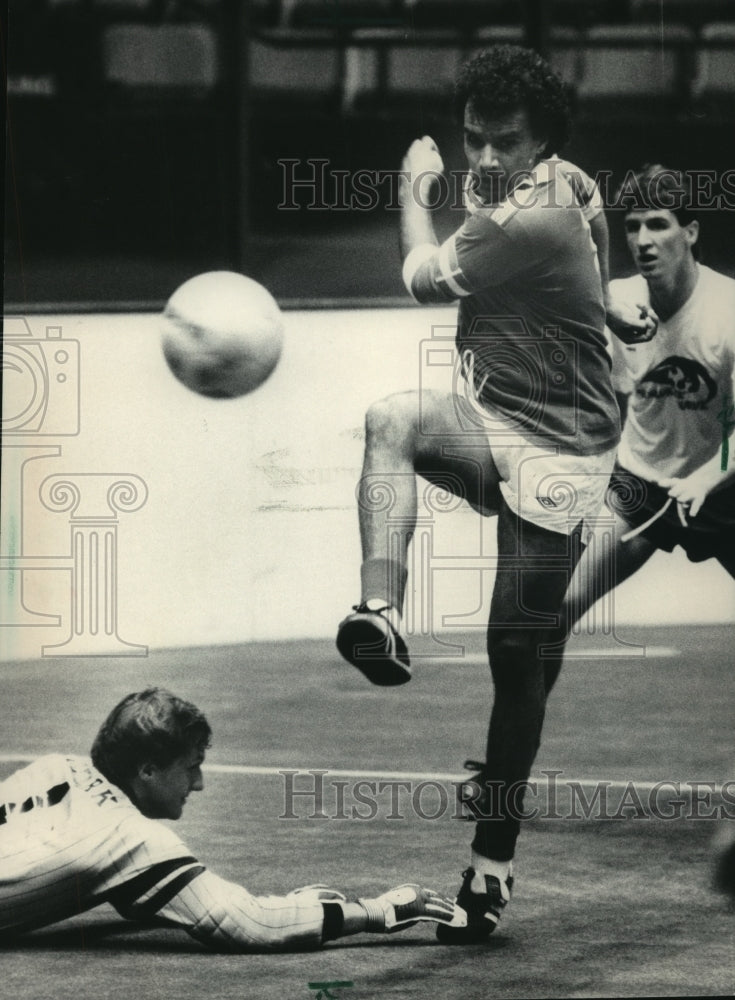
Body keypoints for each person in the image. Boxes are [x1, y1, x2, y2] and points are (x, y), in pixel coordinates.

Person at [335, 45, 635, 943]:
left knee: (517, 652)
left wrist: (411, 187)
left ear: (542, 141)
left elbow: (419, 280)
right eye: (472, 141)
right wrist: (607, 310)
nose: (486, 159)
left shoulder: (534, 212)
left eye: (505, 142)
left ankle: (490, 865)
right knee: (390, 419)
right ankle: (376, 612)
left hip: (564, 452)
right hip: (491, 414)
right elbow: (598, 248)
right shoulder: (567, 188)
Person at [0, 688, 466, 948]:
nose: (198, 784)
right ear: (146, 770)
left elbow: (129, 894)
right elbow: (247, 923)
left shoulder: (55, 766)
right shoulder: (131, 837)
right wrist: (377, 911)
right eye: (190, 768)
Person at [550, 164, 735, 691]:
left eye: (658, 224)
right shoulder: (618, 303)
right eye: (632, 226)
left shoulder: (729, 311)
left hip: (721, 491)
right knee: (551, 615)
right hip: (641, 486)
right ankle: (506, 770)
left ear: (691, 232)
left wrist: (705, 479)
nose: (642, 240)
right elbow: (600, 399)